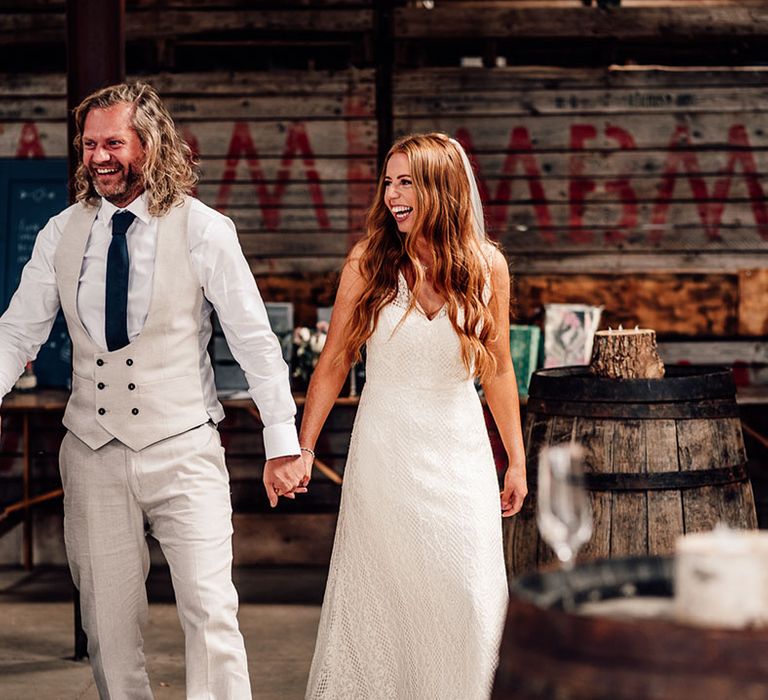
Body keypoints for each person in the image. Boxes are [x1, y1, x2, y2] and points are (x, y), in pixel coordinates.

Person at [0, 82, 308, 698]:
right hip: (90, 452)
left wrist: (283, 442)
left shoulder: (205, 229)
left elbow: (254, 341)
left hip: (184, 448)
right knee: (108, 626)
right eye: (89, 144)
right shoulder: (59, 233)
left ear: (152, 143)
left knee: (211, 609)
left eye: (114, 142)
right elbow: (17, 332)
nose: (98, 157)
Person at [300, 132, 527, 699]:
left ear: (441, 188)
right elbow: (333, 362)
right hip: (385, 450)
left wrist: (517, 461)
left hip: (459, 453)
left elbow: (498, 371)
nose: (393, 194)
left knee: (470, 594)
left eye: (407, 182)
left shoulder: (486, 267)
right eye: (388, 181)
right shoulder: (369, 262)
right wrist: (303, 448)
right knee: (383, 596)